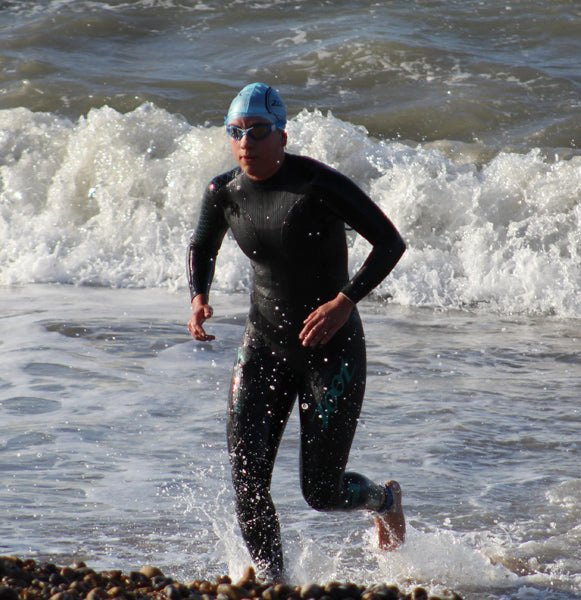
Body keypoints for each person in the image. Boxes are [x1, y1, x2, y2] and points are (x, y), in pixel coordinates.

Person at [186, 82, 407, 582]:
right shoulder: (224, 193)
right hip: (263, 346)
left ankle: (386, 500)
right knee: (248, 479)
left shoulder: (317, 185)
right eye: (236, 131)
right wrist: (198, 295)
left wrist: (343, 301)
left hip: (331, 351)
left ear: (282, 135)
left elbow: (389, 242)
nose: (247, 142)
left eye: (259, 131)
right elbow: (202, 245)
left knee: (323, 491)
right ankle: (274, 582)